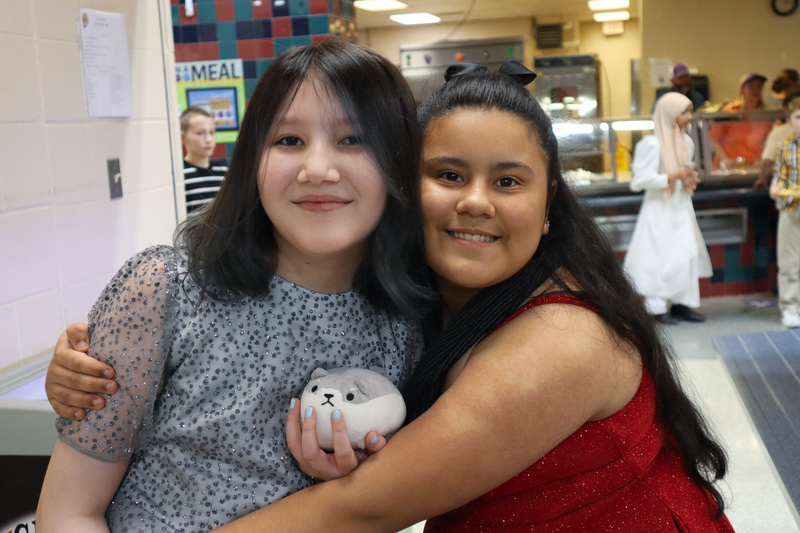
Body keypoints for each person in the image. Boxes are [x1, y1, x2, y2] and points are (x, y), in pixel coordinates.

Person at [46, 62, 734, 532]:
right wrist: (99, 361)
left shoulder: (560, 338)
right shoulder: (413, 301)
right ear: (408, 183)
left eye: (508, 181)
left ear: (549, 200)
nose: (475, 202)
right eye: (449, 174)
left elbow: (362, 508)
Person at [35, 41, 431, 532]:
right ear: (251, 157)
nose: (317, 169)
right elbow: (70, 511)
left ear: (399, 160)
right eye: (289, 139)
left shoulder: (414, 318)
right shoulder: (165, 291)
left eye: (354, 139)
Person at [623, 92, 712, 325]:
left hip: (681, 207)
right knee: (660, 258)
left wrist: (688, 178)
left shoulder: (687, 142)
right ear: (669, 114)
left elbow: (684, 170)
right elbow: (639, 181)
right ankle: (656, 307)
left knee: (685, 254)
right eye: (684, 112)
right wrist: (673, 176)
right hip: (659, 209)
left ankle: (682, 304)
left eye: (690, 111)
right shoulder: (652, 144)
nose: (689, 117)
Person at [768, 95, 800, 328]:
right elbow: (780, 174)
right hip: (791, 208)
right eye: (798, 117)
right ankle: (790, 307)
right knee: (789, 261)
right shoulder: (785, 144)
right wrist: (775, 187)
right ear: (790, 120)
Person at [709, 72, 772, 169]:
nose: (756, 90)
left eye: (759, 87)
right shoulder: (730, 112)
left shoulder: (764, 116)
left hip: (753, 166)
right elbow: (713, 139)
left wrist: (762, 160)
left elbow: (767, 143)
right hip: (729, 167)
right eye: (751, 87)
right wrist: (725, 159)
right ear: (742, 90)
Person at [180, 106, 229, 213]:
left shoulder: (224, 171)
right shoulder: (180, 175)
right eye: (200, 133)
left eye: (211, 132)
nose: (208, 139)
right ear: (183, 137)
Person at [755, 86, 800, 189]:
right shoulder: (780, 133)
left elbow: (767, 161)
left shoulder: (779, 133)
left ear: (785, 109)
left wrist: (762, 179)